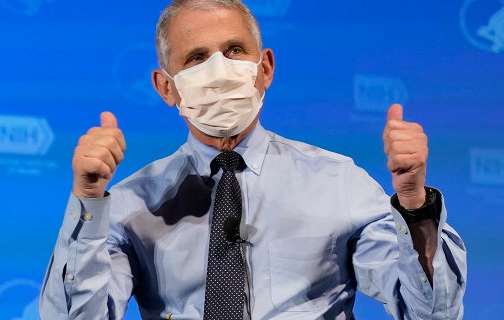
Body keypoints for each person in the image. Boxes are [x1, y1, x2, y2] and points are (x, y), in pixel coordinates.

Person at [39, 0, 467, 319]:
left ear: (265, 68)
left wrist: (413, 204)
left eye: (234, 50)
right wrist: (89, 200)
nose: (219, 70)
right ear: (166, 88)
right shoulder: (133, 204)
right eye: (196, 58)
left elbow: (430, 313)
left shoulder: (339, 182)